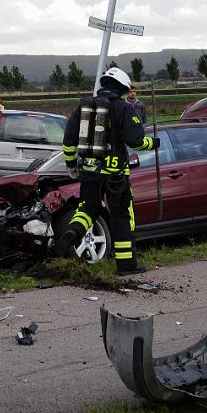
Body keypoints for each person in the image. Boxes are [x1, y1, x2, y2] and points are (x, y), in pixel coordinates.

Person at [56, 67, 159, 276]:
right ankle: (126, 263)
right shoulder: (123, 108)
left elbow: (68, 141)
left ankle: (71, 233)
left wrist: (71, 165)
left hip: (89, 171)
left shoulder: (84, 107)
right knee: (121, 215)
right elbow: (136, 142)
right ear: (122, 87)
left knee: (87, 208)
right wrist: (153, 143)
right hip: (115, 175)